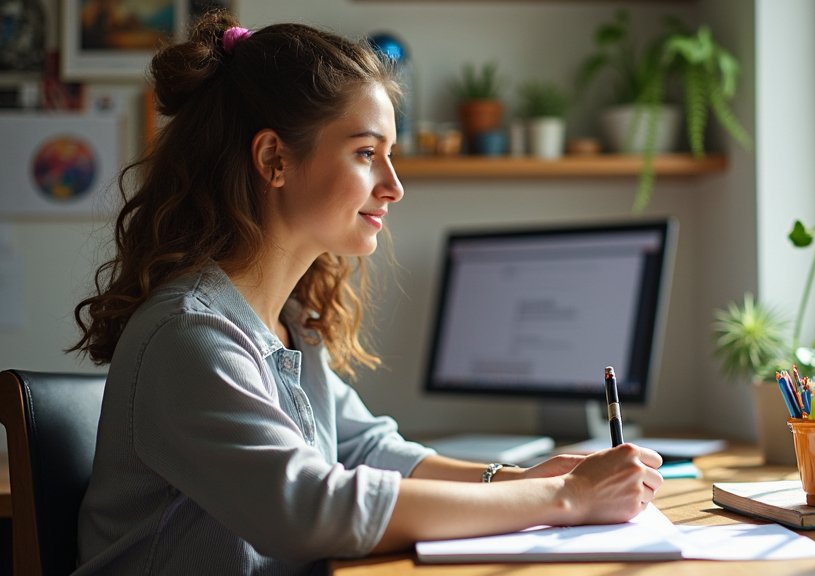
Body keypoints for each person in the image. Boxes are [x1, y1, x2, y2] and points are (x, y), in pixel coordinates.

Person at [69, 12, 663, 575]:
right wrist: (561, 498)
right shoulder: (190, 334)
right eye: (365, 153)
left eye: (390, 157)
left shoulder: (290, 323)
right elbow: (306, 508)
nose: (394, 187)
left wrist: (522, 479)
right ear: (274, 158)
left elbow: (368, 450)